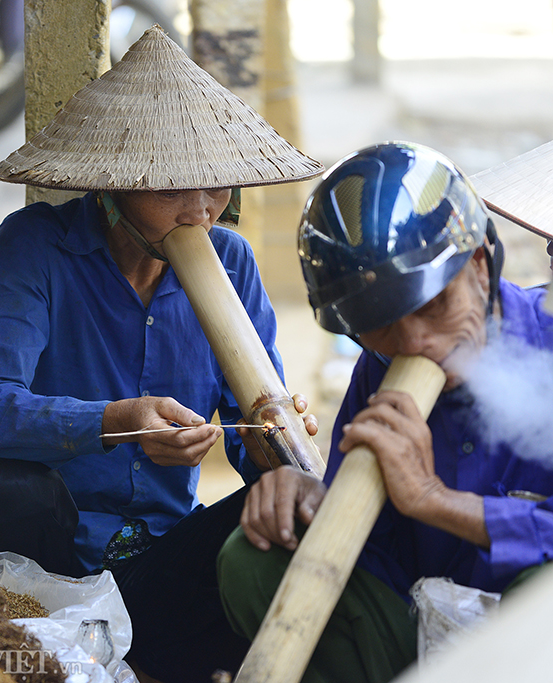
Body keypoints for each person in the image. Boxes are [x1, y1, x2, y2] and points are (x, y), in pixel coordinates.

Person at [0, 26, 324, 683]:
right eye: (172, 188)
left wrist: (276, 452)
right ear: (114, 185)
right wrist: (116, 421)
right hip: (41, 562)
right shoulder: (34, 248)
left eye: (216, 186)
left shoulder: (233, 262)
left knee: (293, 509)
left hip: (154, 563)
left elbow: (249, 431)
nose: (201, 210)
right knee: (13, 485)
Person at [218, 141, 553, 683]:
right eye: (381, 322)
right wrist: (320, 502)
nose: (416, 342)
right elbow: (375, 551)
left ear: (481, 267)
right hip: (417, 634)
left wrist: (434, 501)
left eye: (435, 305)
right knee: (252, 559)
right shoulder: (378, 365)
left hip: (530, 652)